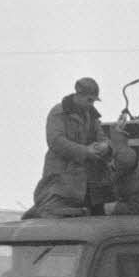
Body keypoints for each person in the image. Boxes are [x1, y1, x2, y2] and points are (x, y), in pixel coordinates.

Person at [28, 77, 113, 218]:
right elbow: (55, 141)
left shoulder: (91, 115)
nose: (91, 104)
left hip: (87, 182)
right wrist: (86, 151)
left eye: (93, 101)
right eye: (89, 100)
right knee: (54, 216)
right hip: (61, 180)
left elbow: (102, 138)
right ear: (78, 95)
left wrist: (105, 147)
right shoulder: (58, 112)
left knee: (94, 217)